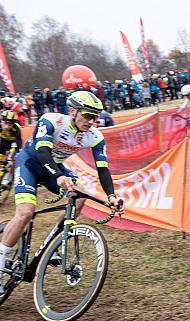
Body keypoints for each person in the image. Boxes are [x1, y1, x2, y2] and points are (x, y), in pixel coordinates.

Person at [0, 91, 123, 292]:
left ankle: (58, 242)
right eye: (87, 115)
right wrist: (58, 176)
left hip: (54, 168)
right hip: (30, 164)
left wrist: (112, 196)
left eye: (95, 117)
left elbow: (103, 168)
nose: (92, 121)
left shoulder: (94, 136)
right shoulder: (51, 121)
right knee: (25, 213)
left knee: (80, 194)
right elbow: (41, 151)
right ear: (73, 111)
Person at [0, 110, 23, 188]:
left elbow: (18, 144)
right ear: (1, 121)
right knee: (1, 159)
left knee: (10, 160)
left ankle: (7, 179)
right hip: (3, 141)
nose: (7, 126)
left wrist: (11, 156)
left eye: (10, 125)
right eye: (5, 123)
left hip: (14, 143)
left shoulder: (16, 129)